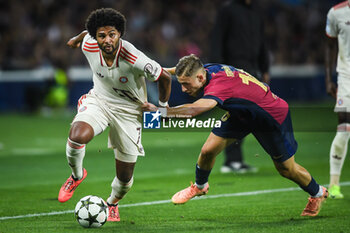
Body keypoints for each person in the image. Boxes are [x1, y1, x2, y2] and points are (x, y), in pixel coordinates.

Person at [143, 54, 328, 217]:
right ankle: (200, 187)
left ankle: (317, 193)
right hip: (242, 113)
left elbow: (194, 110)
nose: (183, 89)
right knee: (208, 150)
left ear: (200, 77)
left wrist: (161, 114)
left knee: (287, 169)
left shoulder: (218, 87)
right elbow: (179, 70)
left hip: (270, 117)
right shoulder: (206, 69)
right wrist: (154, 71)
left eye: (185, 84)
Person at [57, 8, 172, 222]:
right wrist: (76, 38)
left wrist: (162, 108)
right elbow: (85, 35)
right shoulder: (89, 43)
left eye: (112, 34)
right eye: (102, 35)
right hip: (100, 101)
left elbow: (164, 77)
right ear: (96, 37)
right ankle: (76, 176)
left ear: (120, 34)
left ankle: (112, 203)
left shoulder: (134, 57)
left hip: (130, 112)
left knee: (125, 178)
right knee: (77, 135)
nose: (107, 40)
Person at [209, 0, 270, 174]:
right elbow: (217, 40)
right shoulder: (227, 10)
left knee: (249, 115)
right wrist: (218, 71)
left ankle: (235, 160)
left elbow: (262, 43)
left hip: (252, 70)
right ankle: (232, 160)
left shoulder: (256, 12)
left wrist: (265, 69)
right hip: (233, 69)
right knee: (238, 114)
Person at [325, 0, 350, 199]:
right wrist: (328, 79)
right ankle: (334, 185)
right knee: (344, 128)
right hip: (346, 78)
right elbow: (330, 45)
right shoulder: (336, 13)